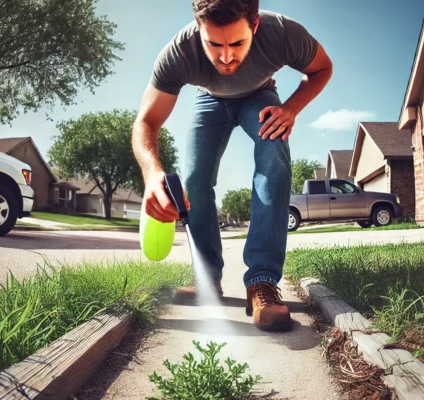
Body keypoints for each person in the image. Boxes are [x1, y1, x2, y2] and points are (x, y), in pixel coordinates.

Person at [132, 0, 333, 331]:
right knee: (194, 178)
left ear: (254, 26)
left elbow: (322, 68)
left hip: (260, 95)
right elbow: (146, 121)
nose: (226, 57)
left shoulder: (283, 34)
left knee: (273, 154)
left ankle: (262, 282)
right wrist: (152, 174)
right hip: (208, 99)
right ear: (199, 31)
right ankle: (206, 279)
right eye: (214, 44)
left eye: (237, 43)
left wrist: (292, 108)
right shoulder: (179, 52)